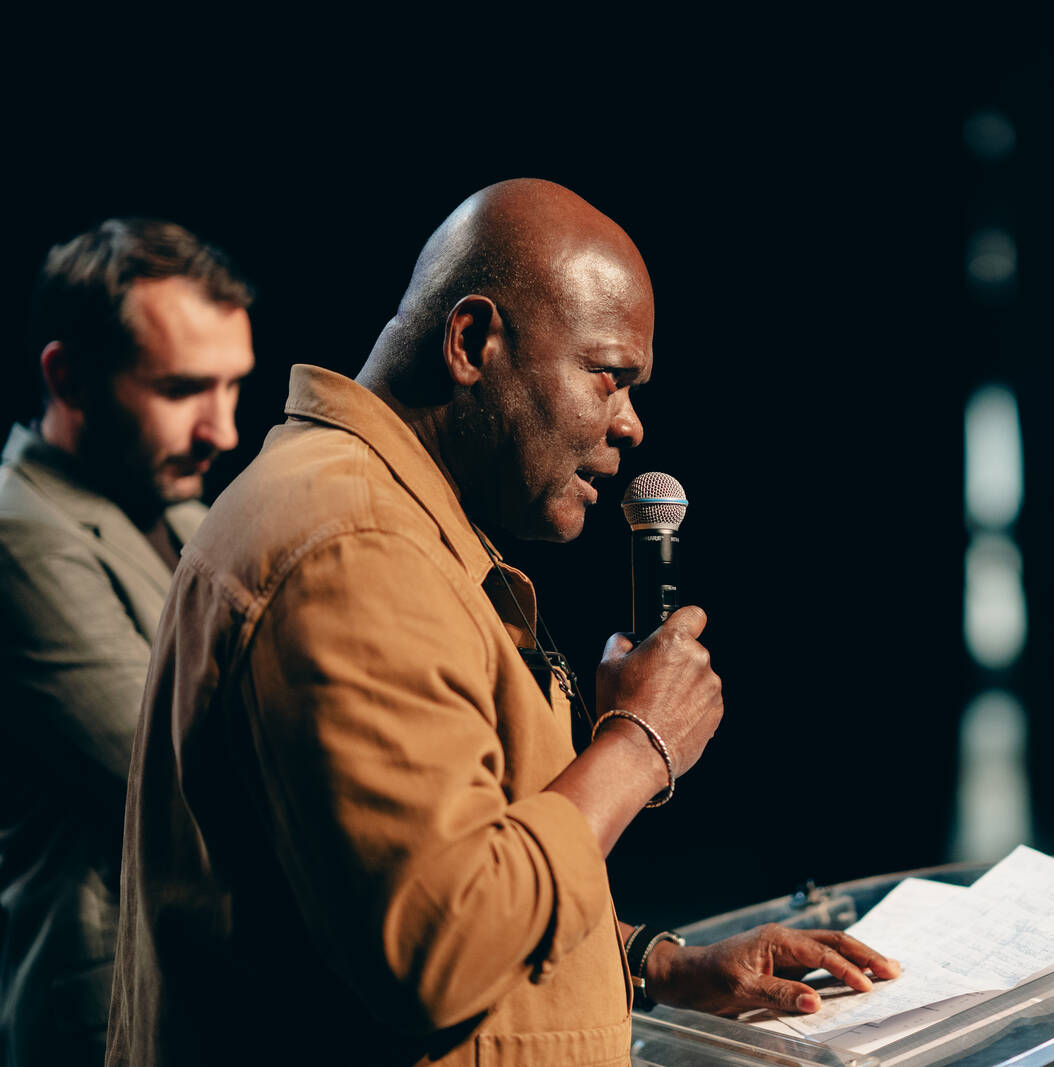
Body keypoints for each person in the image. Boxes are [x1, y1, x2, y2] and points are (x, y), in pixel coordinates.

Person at [106, 180, 898, 1067]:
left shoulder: (380, 515)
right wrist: (639, 743)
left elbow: (431, 871)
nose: (631, 424)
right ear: (472, 341)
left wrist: (656, 961)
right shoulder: (353, 546)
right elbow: (435, 946)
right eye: (609, 375)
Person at [0, 218, 255, 1067]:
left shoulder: (179, 509)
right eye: (183, 389)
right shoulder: (16, 532)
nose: (223, 430)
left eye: (233, 385)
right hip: (104, 1021)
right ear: (67, 377)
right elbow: (178, 771)